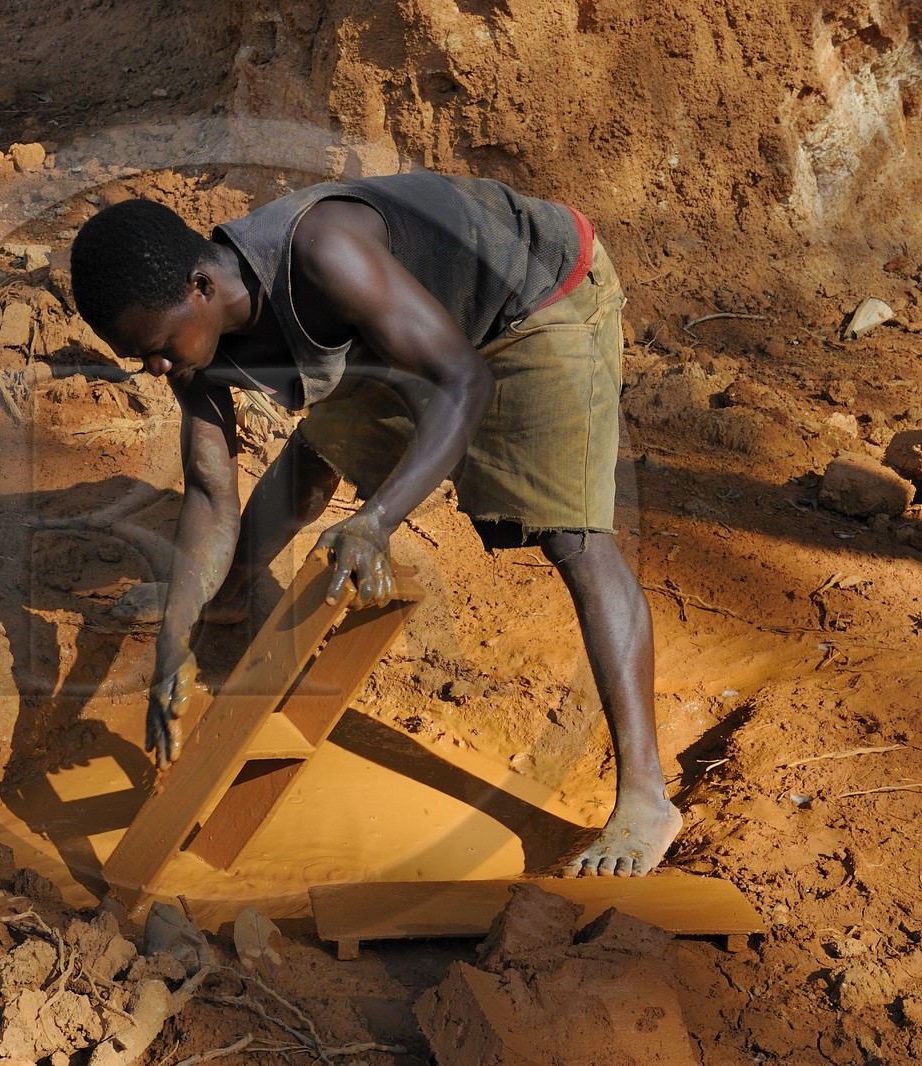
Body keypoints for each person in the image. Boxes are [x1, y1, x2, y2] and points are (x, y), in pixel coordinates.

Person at [68, 172, 681, 877]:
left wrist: (376, 520)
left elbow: (463, 381)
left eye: (160, 345)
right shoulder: (192, 341)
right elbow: (210, 493)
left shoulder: (326, 255)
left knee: (572, 536)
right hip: (410, 332)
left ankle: (645, 797)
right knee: (321, 451)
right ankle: (228, 593)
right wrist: (178, 633)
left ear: (202, 287)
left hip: (531, 300)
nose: (155, 365)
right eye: (140, 354)